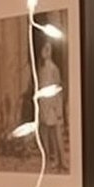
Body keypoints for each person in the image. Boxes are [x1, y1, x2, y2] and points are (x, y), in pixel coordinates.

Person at [36, 42, 68, 172]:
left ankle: (61, 160)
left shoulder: (54, 69)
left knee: (56, 133)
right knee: (45, 133)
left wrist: (58, 108)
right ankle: (48, 159)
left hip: (52, 106)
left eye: (48, 49)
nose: (45, 51)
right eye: (44, 48)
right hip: (43, 104)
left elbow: (57, 88)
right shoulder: (41, 69)